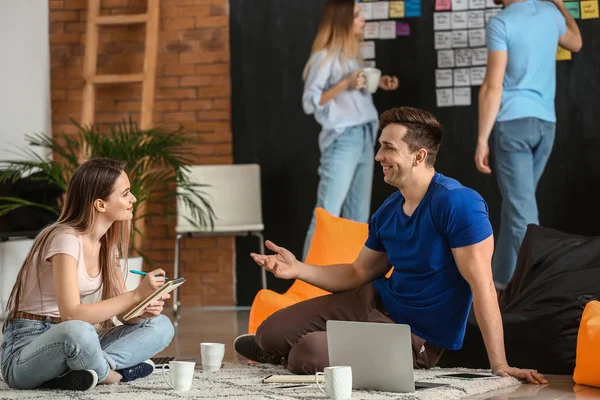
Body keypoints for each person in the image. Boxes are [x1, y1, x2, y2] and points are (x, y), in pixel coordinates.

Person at [235, 107, 546, 384]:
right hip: (375, 302)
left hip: (414, 334)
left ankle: (298, 355)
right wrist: (298, 269)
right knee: (268, 332)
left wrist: (499, 363)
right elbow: (358, 272)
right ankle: (282, 349)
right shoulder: (389, 209)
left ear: (419, 155)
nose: (378, 157)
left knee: (309, 352)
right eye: (379, 146)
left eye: (388, 148)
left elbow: (482, 286)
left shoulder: (458, 203)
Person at [0, 158, 174, 391]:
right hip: (28, 348)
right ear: (100, 204)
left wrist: (142, 309)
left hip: (79, 342)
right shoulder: (65, 238)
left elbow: (124, 315)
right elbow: (72, 314)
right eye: (125, 194)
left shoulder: (106, 245)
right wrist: (135, 295)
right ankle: (114, 375)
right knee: (78, 330)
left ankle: (85, 371)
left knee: (160, 325)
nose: (133, 199)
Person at [475, 0, 582, 290]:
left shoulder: (502, 22)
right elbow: (576, 42)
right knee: (517, 206)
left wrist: (482, 139)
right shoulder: (550, 14)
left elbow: (492, 86)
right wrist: (560, 6)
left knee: (523, 214)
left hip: (513, 124)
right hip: (546, 124)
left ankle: (541, 288)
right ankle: (500, 282)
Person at [301, 0, 399, 260]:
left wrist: (380, 84)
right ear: (343, 20)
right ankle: (305, 285)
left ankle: (353, 288)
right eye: (357, 15)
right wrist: (345, 83)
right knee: (327, 214)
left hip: (365, 135)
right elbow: (310, 101)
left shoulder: (353, 57)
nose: (362, 20)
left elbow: (354, 99)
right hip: (343, 139)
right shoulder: (325, 57)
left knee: (358, 218)